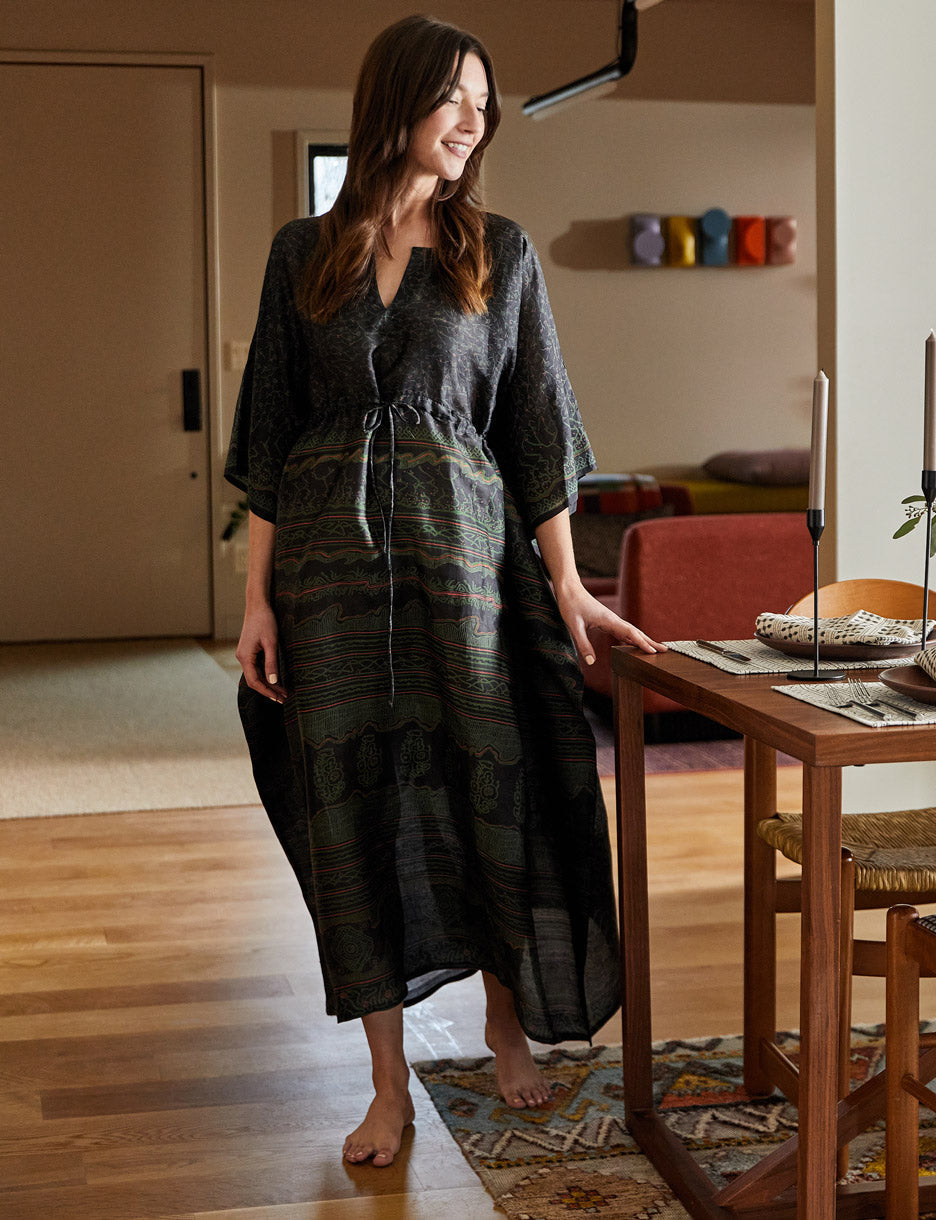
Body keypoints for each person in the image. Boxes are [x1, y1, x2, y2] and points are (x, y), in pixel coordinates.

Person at [225, 13, 665, 1170]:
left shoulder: (499, 253)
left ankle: (502, 1024)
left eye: (485, 98)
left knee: (487, 790)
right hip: (326, 587)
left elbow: (535, 438)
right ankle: (386, 1085)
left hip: (464, 573)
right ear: (398, 103)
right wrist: (255, 599)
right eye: (455, 96)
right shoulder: (298, 254)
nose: (477, 117)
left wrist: (567, 583)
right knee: (353, 813)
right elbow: (268, 439)